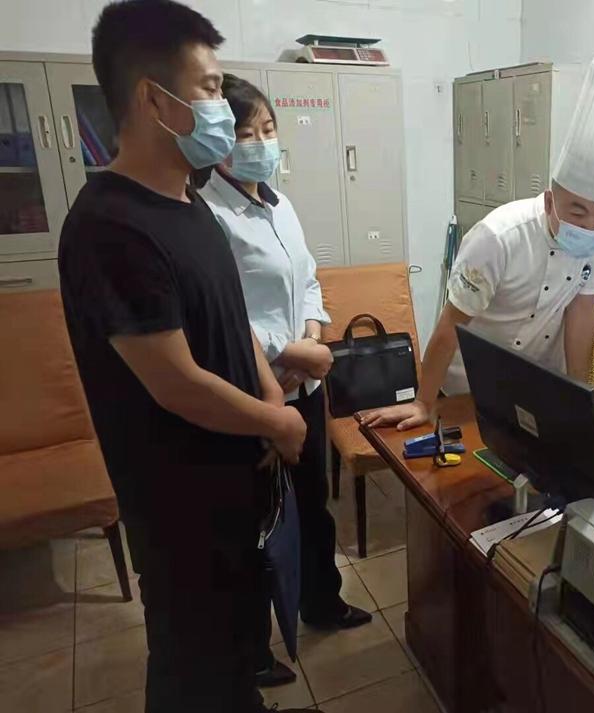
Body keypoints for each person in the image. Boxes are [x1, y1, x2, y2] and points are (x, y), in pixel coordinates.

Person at [57, 2, 312, 712]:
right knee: (191, 665)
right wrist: (280, 423)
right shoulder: (111, 227)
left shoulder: (189, 202)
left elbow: (232, 320)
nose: (221, 108)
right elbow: (175, 383)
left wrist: (270, 400)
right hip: (181, 507)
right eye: (209, 88)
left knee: (233, 651)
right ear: (153, 100)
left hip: (236, 485)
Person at [196, 74, 372, 687]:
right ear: (219, 141)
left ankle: (321, 600)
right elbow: (223, 314)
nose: (260, 143)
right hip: (252, 396)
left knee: (312, 508)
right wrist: (288, 350)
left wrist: (313, 339)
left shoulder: (279, 202)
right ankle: (249, 648)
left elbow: (309, 278)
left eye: (268, 129)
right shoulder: (209, 214)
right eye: (245, 133)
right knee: (255, 523)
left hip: (306, 387)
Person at [364, 55, 594, 430]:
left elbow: (583, 309)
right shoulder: (498, 237)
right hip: (468, 386)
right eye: (577, 212)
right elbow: (452, 321)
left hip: (538, 384)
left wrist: (579, 389)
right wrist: (423, 401)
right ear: (549, 202)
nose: (591, 227)